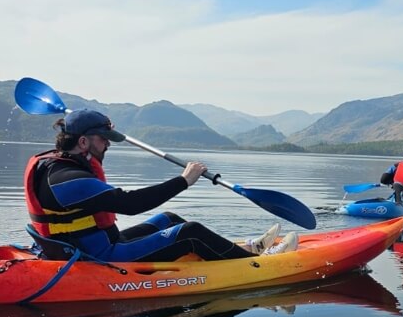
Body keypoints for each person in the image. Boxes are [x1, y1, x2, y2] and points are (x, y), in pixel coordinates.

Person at [23, 109, 297, 262]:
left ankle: (244, 249)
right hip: (98, 256)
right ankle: (256, 263)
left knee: (169, 219)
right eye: (103, 138)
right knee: (190, 232)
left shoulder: (59, 163)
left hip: (100, 242)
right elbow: (131, 205)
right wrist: (183, 181)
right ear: (83, 142)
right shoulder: (67, 181)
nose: (107, 144)